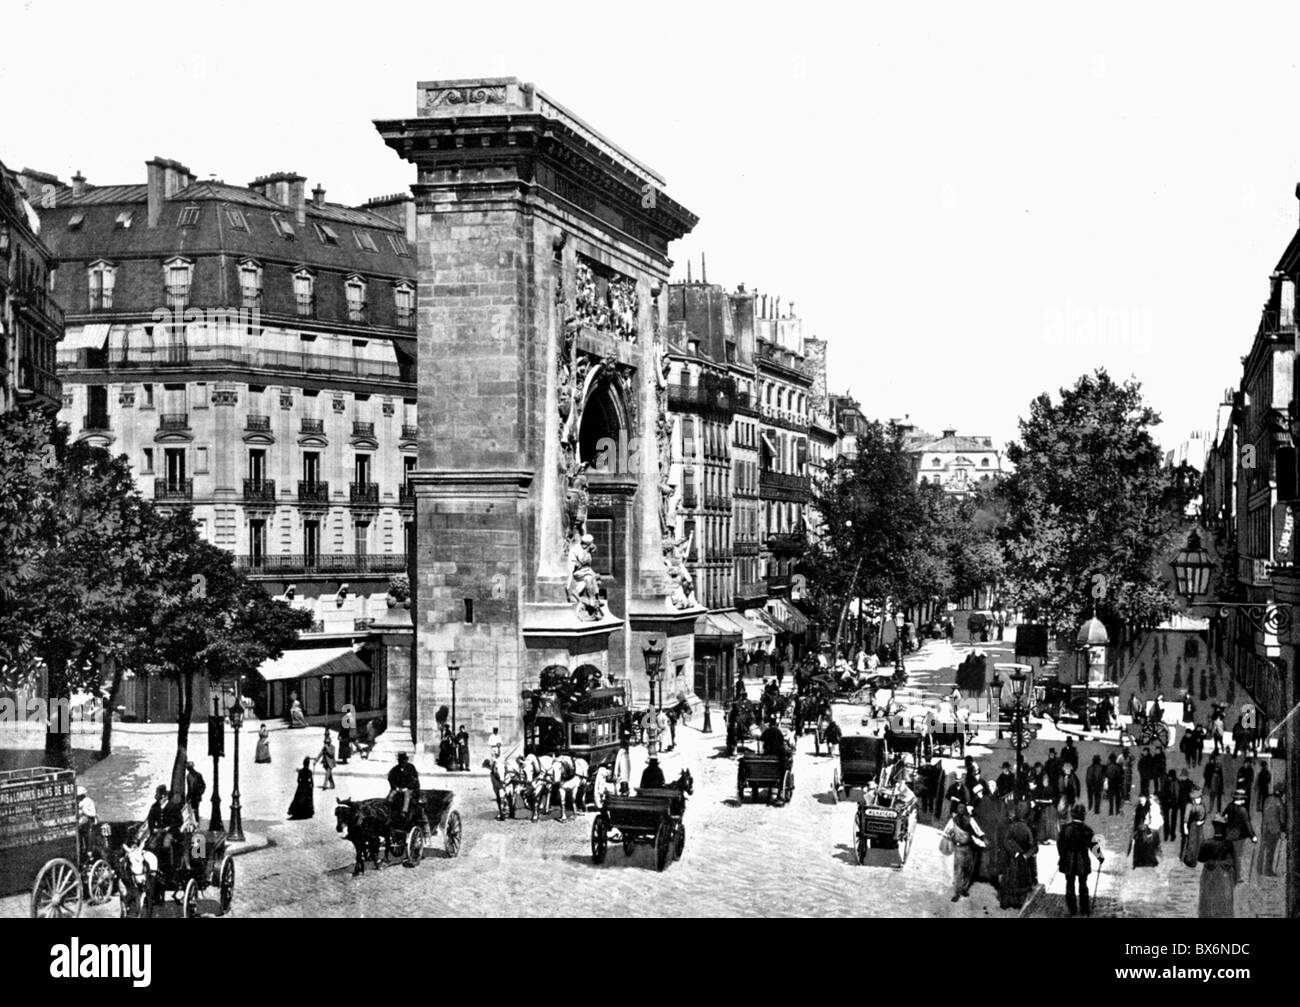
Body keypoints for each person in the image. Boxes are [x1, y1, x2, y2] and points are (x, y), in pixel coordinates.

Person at [1057, 804, 1105, 917]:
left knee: (1069, 885)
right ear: (1083, 815)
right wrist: (1100, 858)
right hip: (1082, 862)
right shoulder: (1086, 829)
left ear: (1072, 815)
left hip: (1068, 861)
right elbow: (1093, 846)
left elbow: (1060, 845)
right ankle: (1084, 909)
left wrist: (1063, 856)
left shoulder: (1065, 828)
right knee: (1083, 885)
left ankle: (1072, 910)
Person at [942, 803, 986, 901]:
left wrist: (983, 838)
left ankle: (964, 888)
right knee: (958, 870)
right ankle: (957, 892)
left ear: (965, 809)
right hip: (958, 848)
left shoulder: (970, 820)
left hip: (969, 847)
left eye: (963, 808)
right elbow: (946, 832)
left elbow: (978, 831)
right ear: (957, 809)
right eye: (959, 808)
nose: (961, 809)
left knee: (968, 869)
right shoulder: (952, 821)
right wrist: (951, 837)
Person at [999, 802, 1037, 909]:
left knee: (1011, 880)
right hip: (1023, 861)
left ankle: (1009, 902)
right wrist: (1025, 855)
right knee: (1021, 881)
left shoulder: (1012, 826)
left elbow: (1006, 841)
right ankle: (1019, 902)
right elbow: (1034, 846)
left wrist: (1015, 853)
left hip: (1013, 859)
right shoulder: (1029, 827)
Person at [1197, 818, 1237, 918]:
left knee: (1208, 899)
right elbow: (1233, 861)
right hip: (1224, 875)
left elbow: (1200, 858)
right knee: (1224, 900)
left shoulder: (1206, 843)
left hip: (1209, 874)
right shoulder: (1228, 843)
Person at [1223, 788, 1256, 882]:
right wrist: (1253, 836)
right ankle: (1237, 877)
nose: (1244, 800)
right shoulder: (1243, 810)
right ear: (1240, 799)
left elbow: (1223, 818)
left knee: (1230, 855)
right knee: (1238, 856)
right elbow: (1247, 824)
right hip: (1239, 837)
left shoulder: (1229, 806)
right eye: (1243, 799)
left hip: (1229, 835)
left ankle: (1228, 874)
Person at [1259, 784, 1287, 878]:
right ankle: (1268, 870)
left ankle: (1259, 869)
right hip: (1274, 830)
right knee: (1271, 850)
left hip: (1265, 827)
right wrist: (1283, 829)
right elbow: (1282, 818)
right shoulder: (1280, 803)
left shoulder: (1267, 799)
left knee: (1263, 849)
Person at [387, 752, 421, 819]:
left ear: (406, 760)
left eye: (403, 760)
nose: (402, 762)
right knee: (390, 796)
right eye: (400, 761)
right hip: (398, 788)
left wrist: (407, 787)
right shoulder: (395, 769)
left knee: (406, 795)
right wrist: (395, 787)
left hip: (410, 788)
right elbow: (390, 778)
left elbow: (414, 779)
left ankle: (404, 811)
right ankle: (389, 809)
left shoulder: (411, 768)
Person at [1131, 796, 1161, 868]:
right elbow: (1136, 820)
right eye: (1140, 801)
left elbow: (1153, 817)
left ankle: (1149, 861)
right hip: (1140, 828)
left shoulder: (1150, 807)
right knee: (1139, 845)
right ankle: (1138, 862)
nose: (1141, 802)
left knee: (1148, 844)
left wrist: (1148, 824)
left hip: (1147, 828)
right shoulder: (1138, 808)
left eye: (1143, 801)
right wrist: (1135, 829)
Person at [1182, 789, 1207, 868]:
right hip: (1192, 826)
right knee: (1192, 842)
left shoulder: (1202, 805)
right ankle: (1190, 860)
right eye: (1196, 798)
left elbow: (1205, 816)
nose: (1198, 800)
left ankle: (1199, 858)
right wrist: (1185, 827)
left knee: (1200, 841)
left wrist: (1202, 822)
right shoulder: (1189, 806)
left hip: (1200, 826)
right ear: (1193, 799)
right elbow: (1186, 817)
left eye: (1199, 798)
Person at [1158, 770, 1179, 842]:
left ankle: (1166, 835)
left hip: (1166, 803)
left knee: (1166, 820)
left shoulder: (1165, 781)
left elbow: (1161, 792)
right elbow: (1177, 793)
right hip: (1173, 803)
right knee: (1172, 820)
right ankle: (1171, 835)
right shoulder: (1175, 782)